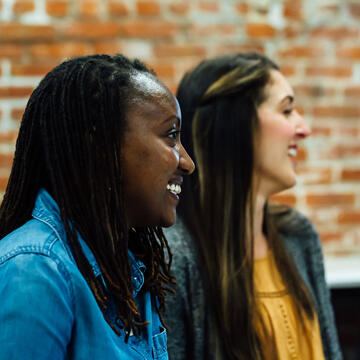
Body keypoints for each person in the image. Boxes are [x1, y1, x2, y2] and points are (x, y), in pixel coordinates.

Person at [0, 54, 194, 359]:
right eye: (170, 136)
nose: (187, 163)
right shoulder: (35, 270)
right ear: (101, 147)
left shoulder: (130, 266)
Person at [164, 53, 342, 359]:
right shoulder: (175, 256)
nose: (303, 128)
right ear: (236, 126)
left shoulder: (298, 236)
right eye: (287, 110)